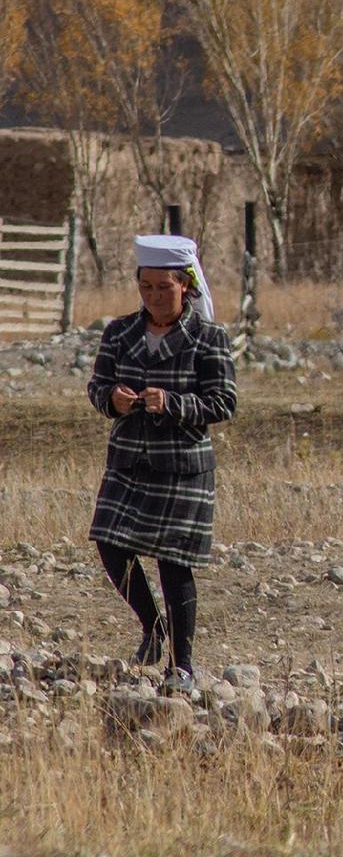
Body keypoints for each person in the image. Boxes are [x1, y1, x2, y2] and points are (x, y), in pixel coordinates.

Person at [86, 234, 237, 695]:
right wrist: (112, 398)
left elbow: (223, 402)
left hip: (182, 467)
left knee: (175, 565)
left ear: (186, 286)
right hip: (129, 462)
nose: (153, 296)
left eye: (163, 288)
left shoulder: (209, 338)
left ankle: (182, 665)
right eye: (146, 287)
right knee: (110, 546)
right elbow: (97, 387)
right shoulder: (119, 333)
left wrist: (173, 403)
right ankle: (154, 629)